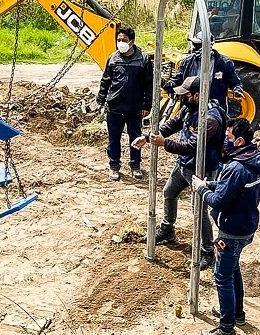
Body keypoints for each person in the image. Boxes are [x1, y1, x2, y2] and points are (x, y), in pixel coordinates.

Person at [132, 76, 227, 270]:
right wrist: (148, 137)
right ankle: (168, 229)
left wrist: (164, 143)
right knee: (169, 192)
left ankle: (207, 250)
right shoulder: (189, 108)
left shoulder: (210, 119)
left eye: (186, 95)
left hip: (202, 170)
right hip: (183, 165)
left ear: (197, 95)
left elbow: (192, 146)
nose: (182, 98)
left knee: (199, 211)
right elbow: (172, 125)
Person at [192, 118, 260, 335]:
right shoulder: (257, 160)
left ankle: (226, 329)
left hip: (231, 231)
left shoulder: (235, 168)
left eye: (228, 138)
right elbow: (234, 188)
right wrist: (211, 184)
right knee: (233, 269)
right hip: (247, 226)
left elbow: (219, 201)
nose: (225, 141)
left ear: (240, 141)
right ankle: (237, 313)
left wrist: (200, 190)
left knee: (222, 276)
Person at [96, 26, 154, 181]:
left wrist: (146, 106)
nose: (120, 43)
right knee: (114, 139)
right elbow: (106, 81)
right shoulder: (113, 58)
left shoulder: (143, 59)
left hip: (135, 108)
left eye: (124, 40)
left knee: (135, 138)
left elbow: (149, 84)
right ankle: (114, 166)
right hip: (115, 107)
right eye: (118, 40)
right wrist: (101, 100)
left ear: (132, 42)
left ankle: (135, 166)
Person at [162, 33, 245, 111]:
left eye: (197, 45)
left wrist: (237, 89)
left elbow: (236, 83)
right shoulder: (187, 62)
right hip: (191, 107)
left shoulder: (224, 63)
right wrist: (167, 84)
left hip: (214, 108)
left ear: (208, 46)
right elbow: (178, 80)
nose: (194, 48)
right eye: (194, 45)